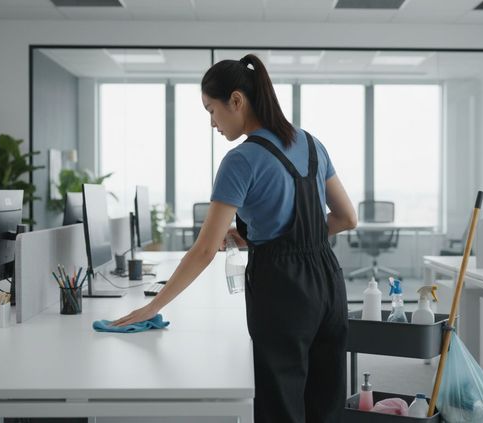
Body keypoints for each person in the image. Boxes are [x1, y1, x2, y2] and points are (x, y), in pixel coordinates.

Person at [113, 53, 357, 422]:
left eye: (211, 110)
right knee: (324, 402)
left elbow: (205, 250)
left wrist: (152, 307)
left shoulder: (240, 160)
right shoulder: (311, 143)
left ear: (237, 101)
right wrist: (277, 239)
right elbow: (346, 218)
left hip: (283, 290)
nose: (212, 122)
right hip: (329, 283)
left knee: (281, 406)